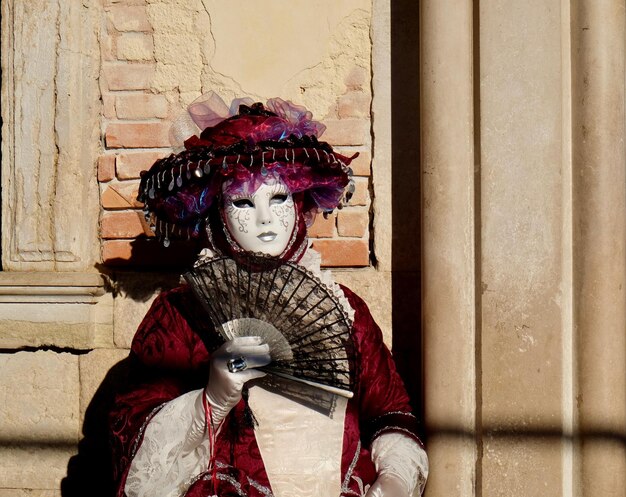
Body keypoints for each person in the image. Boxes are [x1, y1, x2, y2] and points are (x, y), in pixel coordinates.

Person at [109, 95, 429, 497]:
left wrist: (395, 479)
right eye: (243, 202)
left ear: (298, 203)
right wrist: (209, 399)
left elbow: (390, 413)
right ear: (217, 215)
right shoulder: (180, 314)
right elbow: (131, 437)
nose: (264, 219)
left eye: (278, 198)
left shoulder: (346, 309)